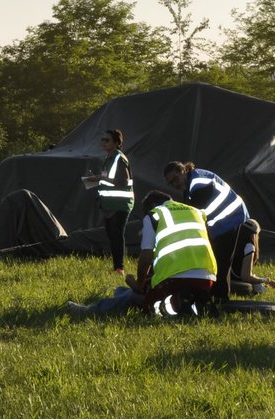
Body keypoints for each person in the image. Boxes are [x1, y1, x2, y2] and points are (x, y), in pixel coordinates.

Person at [67, 190, 218, 318]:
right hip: (207, 278)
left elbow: (146, 257)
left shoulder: (154, 215)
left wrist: (138, 283)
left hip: (176, 279)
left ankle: (90, 310)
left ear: (151, 206)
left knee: (138, 298)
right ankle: (194, 303)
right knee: (127, 290)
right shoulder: (196, 212)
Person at [164, 160, 251, 304]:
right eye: (170, 183)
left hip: (231, 218)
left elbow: (195, 213)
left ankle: (221, 300)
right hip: (223, 221)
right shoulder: (191, 183)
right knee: (217, 260)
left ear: (184, 171)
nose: (174, 184)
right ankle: (215, 296)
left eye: (175, 179)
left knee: (220, 261)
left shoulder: (199, 183)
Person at [84, 130, 133, 275]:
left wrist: (99, 178)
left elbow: (124, 181)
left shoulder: (119, 158)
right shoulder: (109, 158)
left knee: (117, 235)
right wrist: (96, 178)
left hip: (120, 204)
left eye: (107, 140)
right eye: (102, 140)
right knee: (112, 236)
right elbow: (108, 180)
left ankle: (120, 268)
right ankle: (117, 267)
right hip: (109, 205)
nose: (103, 143)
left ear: (117, 143)